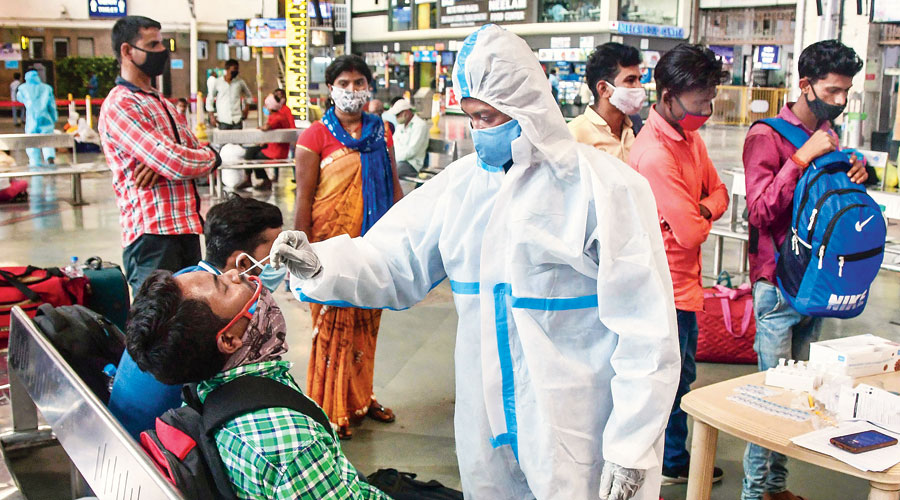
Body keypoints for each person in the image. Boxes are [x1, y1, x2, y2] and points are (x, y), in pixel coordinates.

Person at [273, 24, 680, 500]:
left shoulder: (604, 189)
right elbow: (393, 258)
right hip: (485, 426)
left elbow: (646, 328)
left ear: (525, 104)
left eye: (489, 115)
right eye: (472, 116)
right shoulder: (462, 187)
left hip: (576, 427)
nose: (479, 130)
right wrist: (319, 263)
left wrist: (631, 445)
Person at [125, 269, 390, 499]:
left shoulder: (207, 387)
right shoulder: (291, 445)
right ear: (229, 340)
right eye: (225, 285)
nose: (235, 274)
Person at [741, 39, 866, 500]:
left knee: (801, 398)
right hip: (777, 286)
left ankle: (776, 488)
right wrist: (801, 158)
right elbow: (758, 212)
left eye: (845, 92)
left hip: (815, 282)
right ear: (805, 84)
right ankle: (754, 494)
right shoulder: (766, 136)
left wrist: (854, 169)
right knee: (770, 398)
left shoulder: (830, 137)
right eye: (832, 91)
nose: (840, 101)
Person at [628, 43, 730, 486]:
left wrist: (698, 209)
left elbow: (721, 194)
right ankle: (667, 462)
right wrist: (698, 215)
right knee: (666, 380)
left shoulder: (690, 139)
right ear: (669, 97)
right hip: (662, 287)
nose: (706, 109)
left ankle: (670, 456)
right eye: (699, 101)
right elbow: (688, 233)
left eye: (710, 99)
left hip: (686, 286)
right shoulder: (655, 153)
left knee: (681, 376)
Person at [109, 194, 286, 438]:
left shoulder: (186, 283)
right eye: (277, 251)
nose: (284, 260)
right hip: (153, 448)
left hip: (125, 431)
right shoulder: (198, 320)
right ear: (242, 263)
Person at [293, 54, 403, 440]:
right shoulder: (314, 137)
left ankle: (360, 398)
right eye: (345, 83)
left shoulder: (382, 132)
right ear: (330, 89)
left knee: (366, 328)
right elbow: (304, 201)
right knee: (330, 329)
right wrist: (299, 255)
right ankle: (327, 408)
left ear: (369, 88)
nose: (353, 91)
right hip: (328, 252)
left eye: (360, 83)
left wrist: (402, 233)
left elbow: (393, 187)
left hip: (372, 248)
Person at [98, 15, 219, 294]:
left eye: (161, 43)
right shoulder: (121, 104)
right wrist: (211, 156)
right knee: (158, 329)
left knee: (187, 324)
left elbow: (185, 151)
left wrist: (166, 161)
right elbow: (175, 161)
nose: (161, 51)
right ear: (128, 51)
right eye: (152, 45)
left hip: (185, 228)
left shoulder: (160, 101)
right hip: (152, 237)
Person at [568, 42, 644, 162]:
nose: (639, 87)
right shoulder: (575, 135)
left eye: (639, 79)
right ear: (603, 89)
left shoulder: (636, 127)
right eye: (630, 80)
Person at [240, 89, 295, 190]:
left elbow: (267, 127)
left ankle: (263, 180)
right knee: (250, 152)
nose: (265, 107)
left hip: (276, 150)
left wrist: (261, 128)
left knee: (256, 158)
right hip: (272, 145)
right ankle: (250, 179)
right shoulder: (276, 115)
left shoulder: (278, 117)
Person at [16, 70, 58, 165]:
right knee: (47, 139)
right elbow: (52, 105)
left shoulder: (23, 88)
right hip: (46, 118)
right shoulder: (47, 88)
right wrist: (54, 117)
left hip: (32, 118)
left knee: (32, 140)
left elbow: (19, 98)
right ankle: (49, 157)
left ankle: (34, 161)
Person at [387, 98, 429, 179]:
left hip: (412, 164)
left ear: (406, 112)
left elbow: (412, 151)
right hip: (397, 160)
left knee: (389, 172)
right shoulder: (400, 126)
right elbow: (393, 144)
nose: (396, 118)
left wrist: (394, 157)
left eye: (397, 115)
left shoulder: (420, 125)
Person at [206, 59, 252, 130]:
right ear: (227, 69)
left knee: (238, 141)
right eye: (234, 69)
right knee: (223, 141)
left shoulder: (240, 82)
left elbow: (249, 96)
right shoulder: (218, 82)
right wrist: (211, 116)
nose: (236, 71)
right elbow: (210, 98)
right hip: (223, 120)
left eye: (237, 69)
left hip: (237, 120)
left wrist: (246, 109)